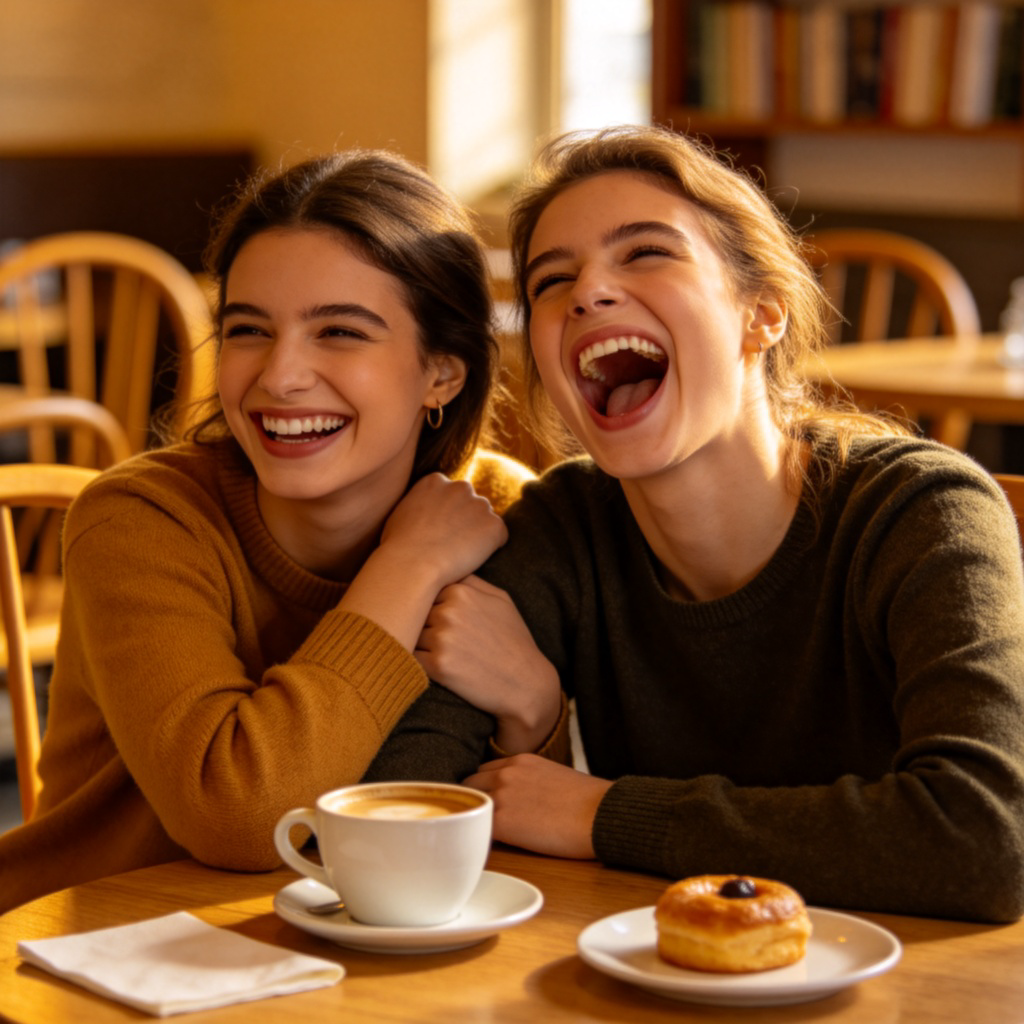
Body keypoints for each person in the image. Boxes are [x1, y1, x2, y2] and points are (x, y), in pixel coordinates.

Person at [410, 125, 1024, 923]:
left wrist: (601, 812)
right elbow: (403, 795)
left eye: (645, 253)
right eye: (551, 280)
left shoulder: (922, 514)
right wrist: (534, 714)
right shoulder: (564, 527)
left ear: (760, 314)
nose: (587, 291)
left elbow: (983, 839)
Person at [0, 149, 534, 912]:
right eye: (248, 330)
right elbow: (242, 817)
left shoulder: (500, 512)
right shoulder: (142, 521)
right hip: (92, 958)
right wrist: (408, 566)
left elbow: (518, 821)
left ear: (443, 372)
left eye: (340, 333)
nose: (279, 376)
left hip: (339, 959)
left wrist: (535, 710)